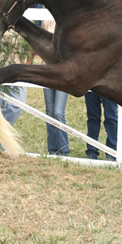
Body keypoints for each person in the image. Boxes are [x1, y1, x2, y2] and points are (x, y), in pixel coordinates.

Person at [42, 20, 70, 156]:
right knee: (50, 112)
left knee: (58, 112)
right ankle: (52, 149)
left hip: (62, 72)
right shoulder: (47, 22)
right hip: (47, 70)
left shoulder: (69, 22)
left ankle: (64, 149)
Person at [84, 91, 118, 161]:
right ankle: (91, 151)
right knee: (92, 118)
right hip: (91, 87)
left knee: (111, 118)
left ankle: (112, 152)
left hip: (109, 87)